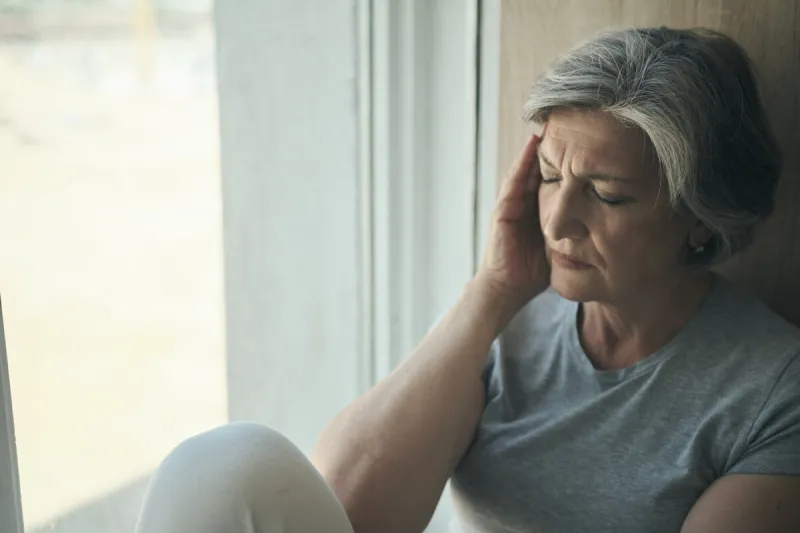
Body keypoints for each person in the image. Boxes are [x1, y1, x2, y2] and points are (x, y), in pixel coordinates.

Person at [135, 26, 800, 533]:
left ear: (699, 216)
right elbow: (345, 506)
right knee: (228, 464)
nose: (559, 219)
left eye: (606, 193)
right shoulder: (515, 319)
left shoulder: (773, 390)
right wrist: (490, 294)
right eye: (549, 176)